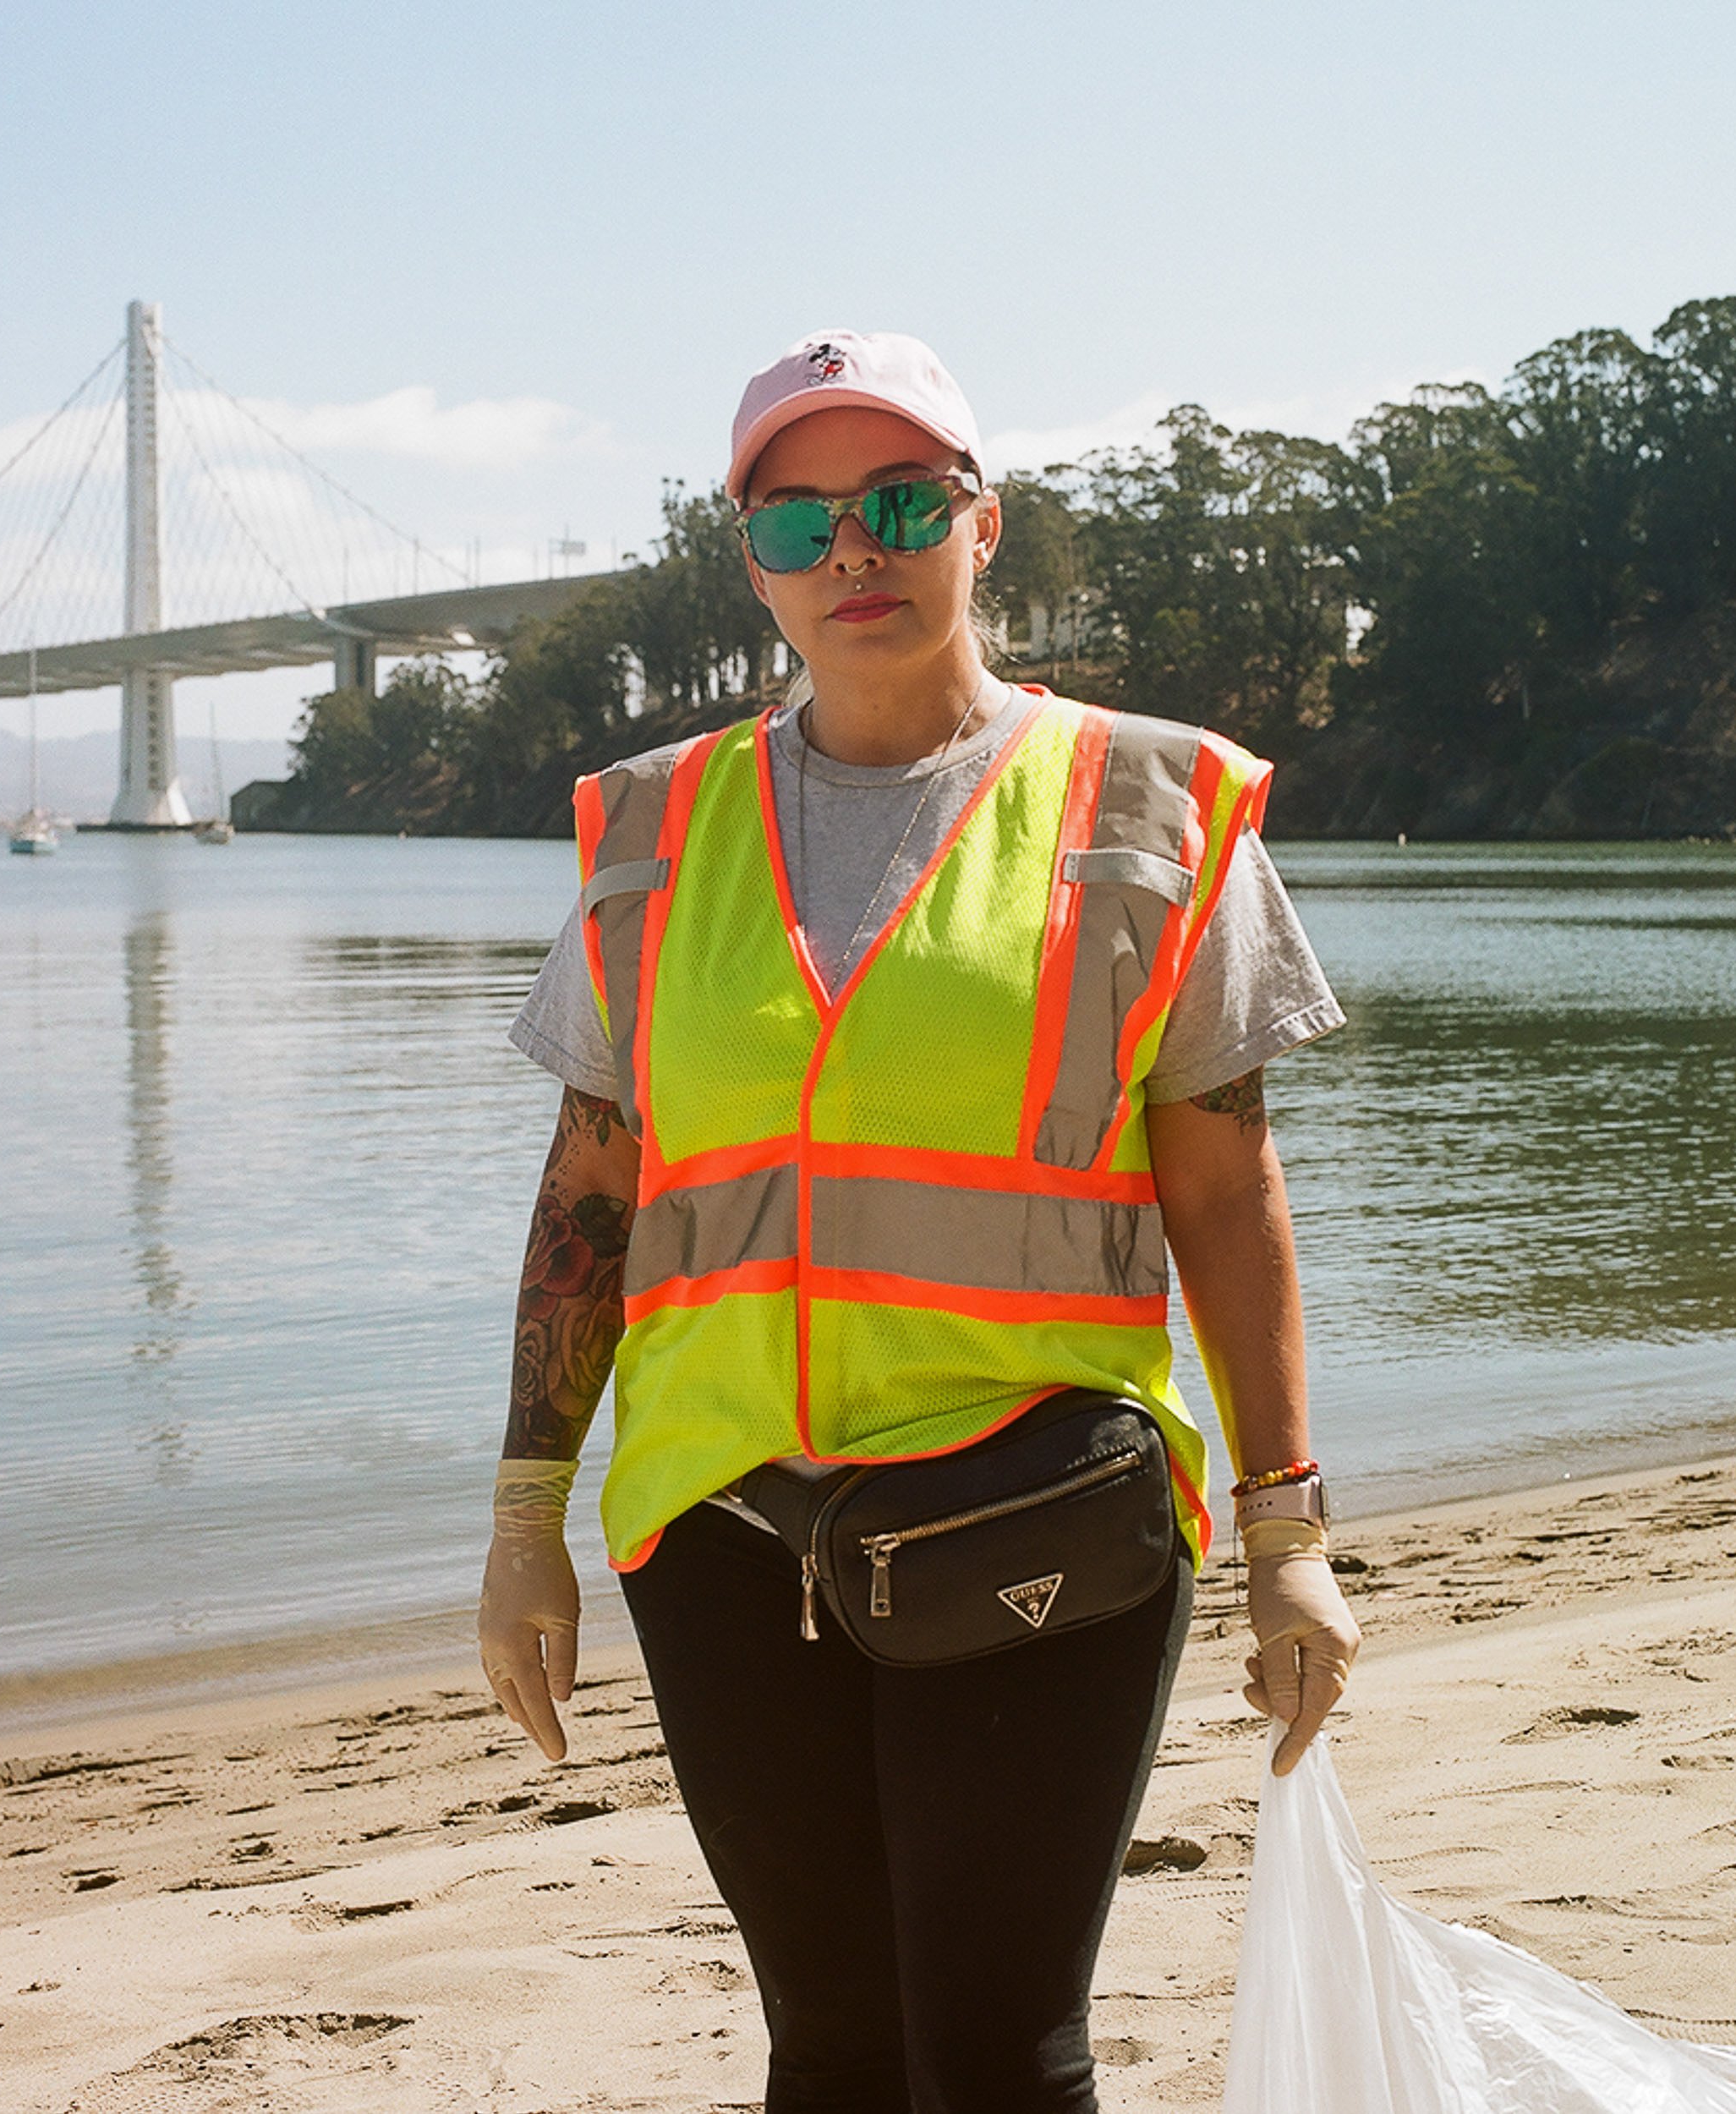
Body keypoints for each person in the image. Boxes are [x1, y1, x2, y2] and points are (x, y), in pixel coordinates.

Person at [479, 329, 1361, 2114]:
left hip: (1033, 1506)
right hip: (716, 1534)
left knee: (995, 2051)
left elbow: (1222, 1185)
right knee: (830, 2048)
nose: (850, 553)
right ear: (750, 562)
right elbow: (592, 1182)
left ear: (983, 527)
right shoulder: (650, 830)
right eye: (795, 522)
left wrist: (1287, 1527)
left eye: (895, 503)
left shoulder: (1143, 806)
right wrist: (524, 1517)